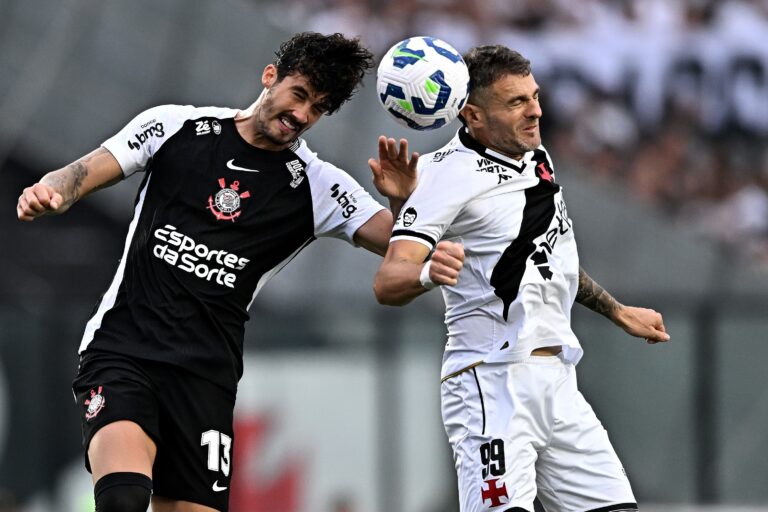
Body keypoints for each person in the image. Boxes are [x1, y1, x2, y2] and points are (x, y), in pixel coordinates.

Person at [16, 32, 424, 512]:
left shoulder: (318, 187)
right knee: (123, 497)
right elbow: (79, 172)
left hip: (205, 377)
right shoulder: (173, 126)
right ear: (270, 77)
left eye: (319, 108)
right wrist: (51, 190)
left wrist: (402, 201)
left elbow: (406, 249)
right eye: (299, 94)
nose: (303, 115)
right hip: (124, 351)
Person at [373, 45, 670, 512]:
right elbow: (388, 281)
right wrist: (430, 271)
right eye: (516, 103)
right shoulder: (440, 177)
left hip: (558, 381)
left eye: (534, 97)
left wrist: (616, 311)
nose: (535, 111)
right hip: (492, 382)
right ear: (472, 115)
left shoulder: (534, 154)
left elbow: (547, 254)